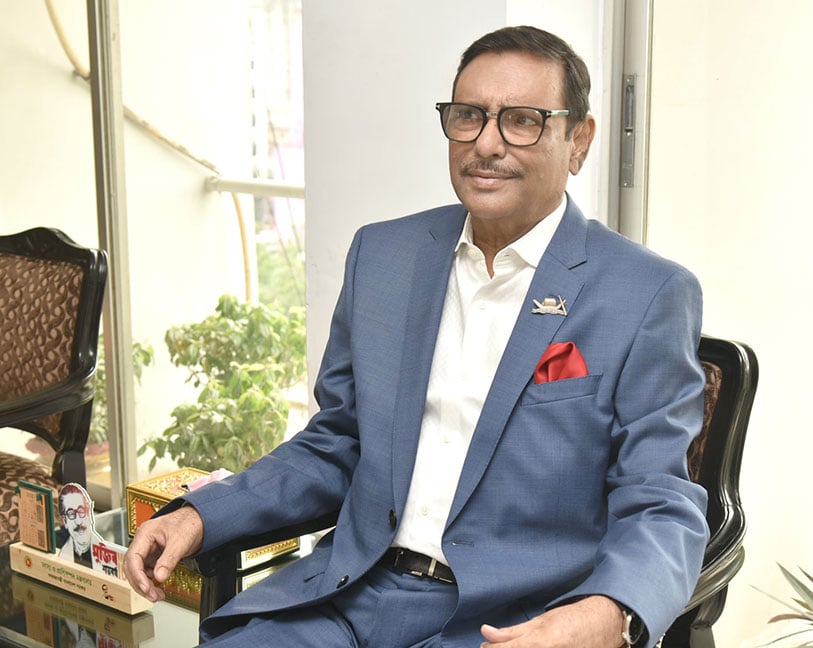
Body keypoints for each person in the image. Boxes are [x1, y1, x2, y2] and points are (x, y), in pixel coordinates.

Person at [124, 25, 709, 648]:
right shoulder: (383, 256)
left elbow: (659, 500)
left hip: (508, 624)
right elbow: (336, 443)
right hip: (345, 597)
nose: (487, 144)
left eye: (522, 121)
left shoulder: (646, 294)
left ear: (579, 140)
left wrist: (608, 615)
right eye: (469, 116)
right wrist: (201, 515)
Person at [58, 483, 96, 568]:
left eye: (81, 511)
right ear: (65, 521)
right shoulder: (59, 548)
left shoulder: (105, 548)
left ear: (90, 512)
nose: (78, 522)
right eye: (71, 514)